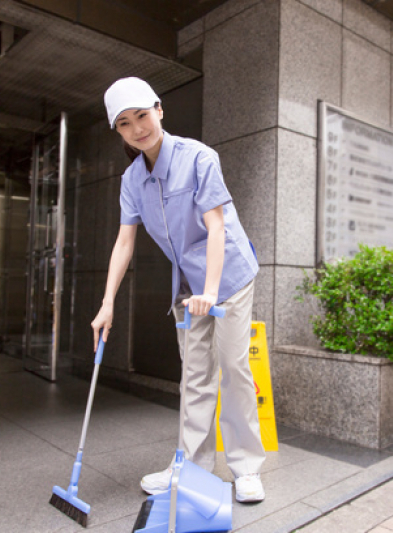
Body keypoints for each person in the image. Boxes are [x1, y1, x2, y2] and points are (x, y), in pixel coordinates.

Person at [91, 77, 266, 503]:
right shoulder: (132, 179)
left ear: (159, 111)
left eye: (143, 116)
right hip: (188, 284)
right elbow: (125, 240)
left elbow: (216, 226)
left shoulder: (199, 158)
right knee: (195, 376)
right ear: (119, 131)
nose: (138, 129)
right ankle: (191, 467)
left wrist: (210, 291)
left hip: (229, 277)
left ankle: (245, 468)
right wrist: (107, 303)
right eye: (125, 123)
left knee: (233, 366)